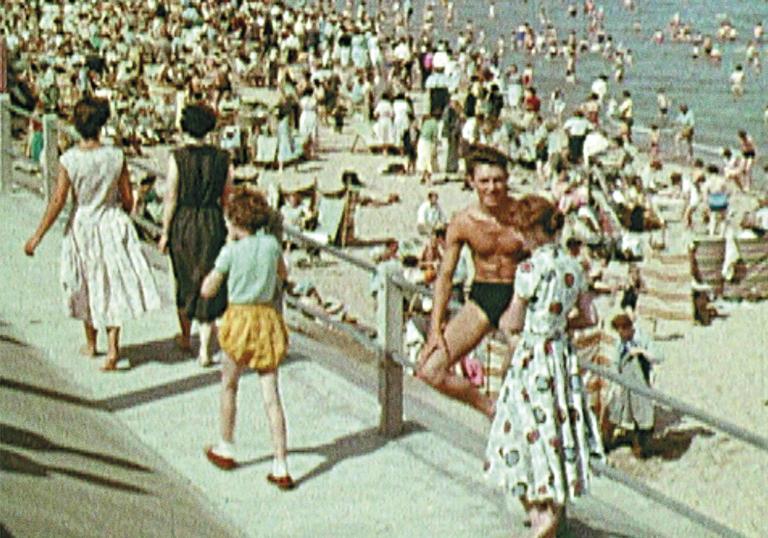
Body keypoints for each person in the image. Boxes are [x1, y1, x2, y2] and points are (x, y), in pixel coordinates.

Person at [485, 195, 603, 538]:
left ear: (535, 231)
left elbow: (513, 321)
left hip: (533, 357)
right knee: (554, 427)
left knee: (522, 429)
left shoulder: (529, 269)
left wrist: (507, 327)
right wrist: (561, 327)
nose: (521, 237)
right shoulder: (573, 267)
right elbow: (590, 317)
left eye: (524, 230)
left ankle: (541, 513)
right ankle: (548, 509)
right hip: (560, 359)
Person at [24, 96, 161, 371]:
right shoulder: (116, 155)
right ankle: (113, 349)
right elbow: (127, 196)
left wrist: (37, 235)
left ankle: (91, 344)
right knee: (110, 283)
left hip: (83, 223)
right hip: (110, 222)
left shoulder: (70, 160)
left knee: (86, 281)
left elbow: (59, 200)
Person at [417, 146, 527, 418]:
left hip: (520, 298)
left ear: (507, 179)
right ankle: (490, 408)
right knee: (431, 370)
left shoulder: (523, 215)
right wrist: (435, 329)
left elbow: (549, 255)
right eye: (485, 181)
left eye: (498, 180)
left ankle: (510, 424)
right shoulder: (463, 221)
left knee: (514, 374)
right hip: (484, 296)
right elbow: (444, 277)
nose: (492, 188)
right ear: (471, 181)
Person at [200, 187, 294, 489]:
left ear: (235, 221)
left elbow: (208, 289)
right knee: (271, 396)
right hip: (266, 318)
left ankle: (226, 445)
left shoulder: (231, 251)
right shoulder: (271, 245)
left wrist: (228, 247)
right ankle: (280, 464)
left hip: (239, 319)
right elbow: (283, 274)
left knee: (229, 384)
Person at [159, 103, 234, 367]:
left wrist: (165, 231)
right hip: (212, 221)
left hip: (185, 221)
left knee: (185, 279)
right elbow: (227, 197)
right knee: (209, 281)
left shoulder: (177, 158)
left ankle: (186, 335)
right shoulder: (222, 158)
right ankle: (205, 348)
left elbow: (171, 196)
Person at [605, 314, 662, 459]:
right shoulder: (620, 342)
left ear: (629, 328)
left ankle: (641, 447)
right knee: (616, 410)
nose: (621, 334)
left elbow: (659, 356)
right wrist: (615, 381)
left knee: (642, 414)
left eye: (623, 330)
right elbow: (615, 362)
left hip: (641, 380)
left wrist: (641, 352)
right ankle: (607, 442)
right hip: (624, 381)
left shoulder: (642, 338)